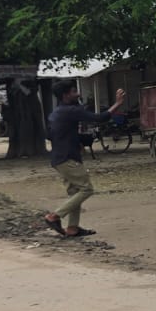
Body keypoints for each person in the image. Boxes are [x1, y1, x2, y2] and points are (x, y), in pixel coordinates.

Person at [43, 81, 127, 238]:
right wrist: (118, 103)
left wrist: (75, 140)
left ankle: (72, 228)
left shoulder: (56, 113)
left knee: (75, 192)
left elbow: (49, 135)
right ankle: (54, 216)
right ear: (66, 95)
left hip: (58, 158)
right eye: (74, 91)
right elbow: (99, 118)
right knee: (86, 189)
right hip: (68, 158)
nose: (78, 94)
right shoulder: (71, 111)